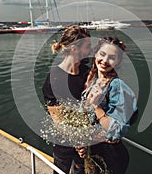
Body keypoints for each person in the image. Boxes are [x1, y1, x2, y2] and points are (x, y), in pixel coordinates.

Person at [77, 37, 138, 174]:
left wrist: (96, 106)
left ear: (117, 62)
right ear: (96, 54)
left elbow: (117, 131)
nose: (105, 61)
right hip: (92, 152)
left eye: (112, 57)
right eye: (102, 54)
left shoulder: (117, 87)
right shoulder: (93, 80)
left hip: (110, 156)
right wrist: (82, 142)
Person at [42, 25, 91, 174]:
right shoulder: (54, 80)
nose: (90, 50)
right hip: (64, 143)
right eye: (87, 46)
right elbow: (58, 120)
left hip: (86, 139)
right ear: (75, 49)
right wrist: (78, 143)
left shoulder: (86, 72)